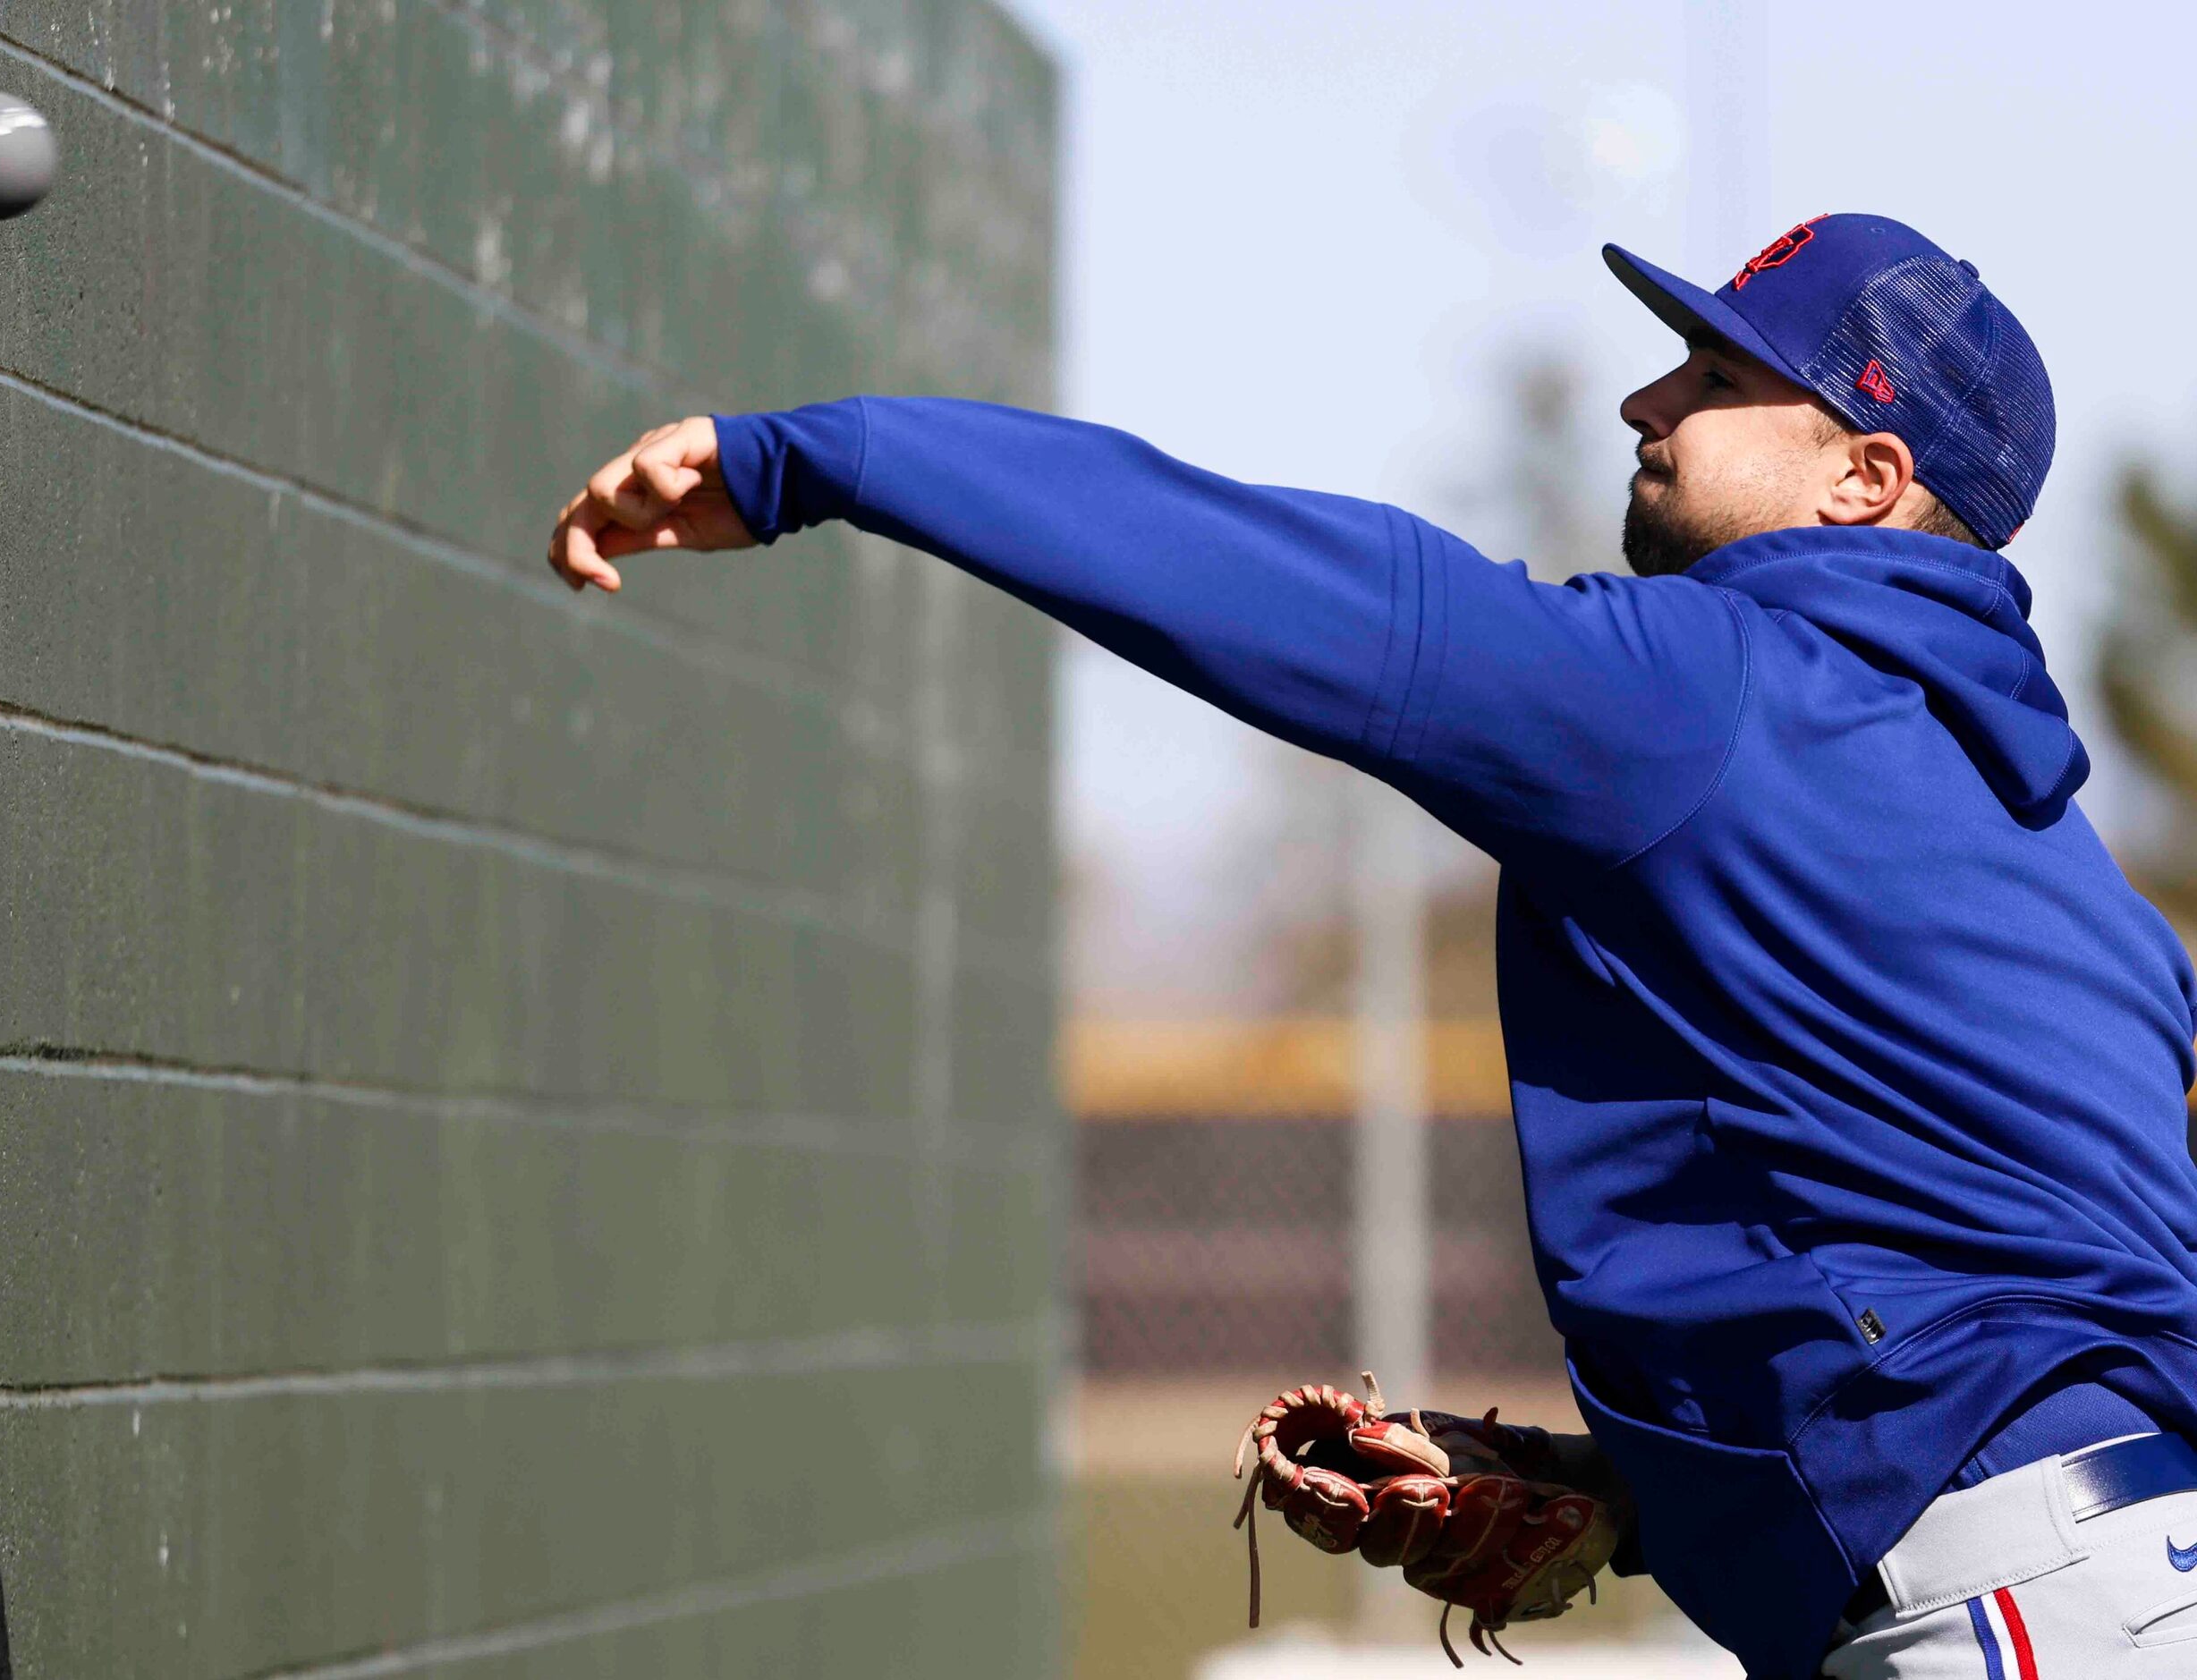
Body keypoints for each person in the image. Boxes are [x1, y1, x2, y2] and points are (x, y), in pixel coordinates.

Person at [546, 214, 2197, 1679]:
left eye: (1711, 374)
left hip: (2021, 1608)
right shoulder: (2068, 872)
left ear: (1866, 477)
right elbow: (1999, 1291)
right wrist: (1646, 1496)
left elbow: (1298, 590)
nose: (1649, 402)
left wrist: (815, 458)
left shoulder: (1707, 692)